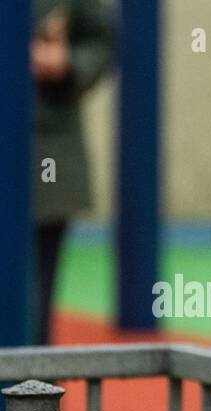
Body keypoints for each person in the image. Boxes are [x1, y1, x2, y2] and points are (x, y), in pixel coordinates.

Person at [31, 0, 116, 345]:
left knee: (35, 292)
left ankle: (33, 390)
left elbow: (102, 41)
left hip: (46, 152)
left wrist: (65, 64)